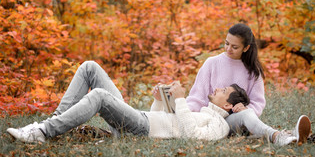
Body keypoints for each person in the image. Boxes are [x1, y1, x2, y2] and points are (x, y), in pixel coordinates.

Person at [7, 61, 300, 145]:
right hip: (143, 117)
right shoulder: (200, 111)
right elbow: (165, 118)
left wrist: (181, 100)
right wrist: (161, 100)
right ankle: (53, 123)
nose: (217, 88)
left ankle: (42, 132)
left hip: (142, 127)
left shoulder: (218, 126)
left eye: (223, 90)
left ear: (227, 105)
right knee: (89, 68)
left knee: (98, 96)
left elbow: (188, 135)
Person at [186, 23, 312, 143]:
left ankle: (282, 136)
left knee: (246, 115)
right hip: (211, 120)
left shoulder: (253, 70)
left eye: (235, 47)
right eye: (226, 43)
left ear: (246, 48)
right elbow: (197, 97)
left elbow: (258, 102)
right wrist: (185, 113)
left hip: (235, 121)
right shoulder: (211, 63)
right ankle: (283, 136)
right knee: (248, 117)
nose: (229, 49)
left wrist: (246, 109)